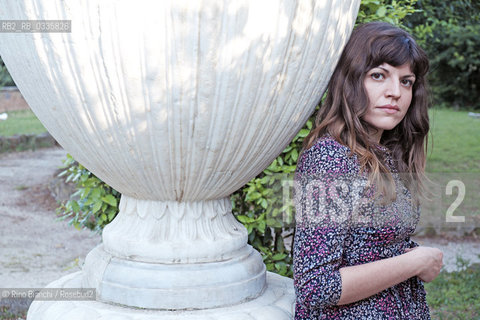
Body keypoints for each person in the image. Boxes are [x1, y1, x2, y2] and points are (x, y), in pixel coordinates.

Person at [293, 22, 443, 319]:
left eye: (406, 81)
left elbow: (369, 245)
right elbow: (315, 286)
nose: (395, 93)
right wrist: (415, 261)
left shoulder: (382, 154)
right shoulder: (330, 160)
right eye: (379, 76)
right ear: (350, 80)